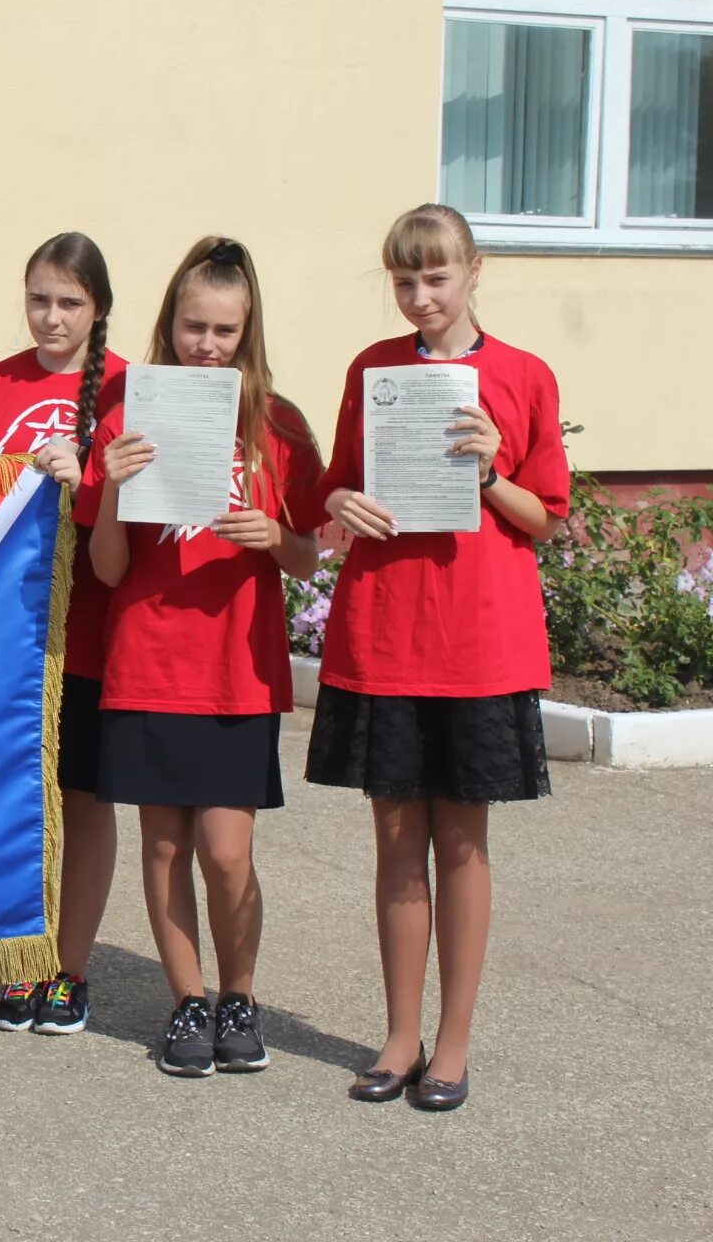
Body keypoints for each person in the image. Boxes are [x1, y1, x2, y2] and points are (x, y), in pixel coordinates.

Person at [308, 204, 568, 1113]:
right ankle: (399, 1034)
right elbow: (335, 483)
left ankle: (453, 1044)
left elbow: (546, 517)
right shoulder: (371, 369)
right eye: (405, 280)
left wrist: (495, 472)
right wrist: (344, 502)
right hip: (383, 633)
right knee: (392, 845)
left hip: (480, 644)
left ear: (474, 270)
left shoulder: (525, 376)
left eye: (437, 277)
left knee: (461, 843)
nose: (421, 296)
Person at [73, 237, 325, 1077]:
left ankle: (238, 992)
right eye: (192, 327)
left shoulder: (277, 421)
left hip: (236, 670)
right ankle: (186, 1003)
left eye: (224, 330)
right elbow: (108, 569)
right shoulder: (127, 410)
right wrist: (110, 484)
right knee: (166, 847)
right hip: (146, 661)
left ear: (247, 330)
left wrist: (273, 537)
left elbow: (311, 555)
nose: (206, 345)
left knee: (227, 852)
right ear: (168, 323)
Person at [0, 232, 126, 1035]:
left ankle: (71, 968)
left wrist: (85, 474)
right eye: (39, 300)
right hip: (0, 632)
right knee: (9, 799)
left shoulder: (126, 387)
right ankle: (17, 958)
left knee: (83, 801)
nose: (51, 318)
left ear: (97, 310)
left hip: (89, 631)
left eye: (69, 303)